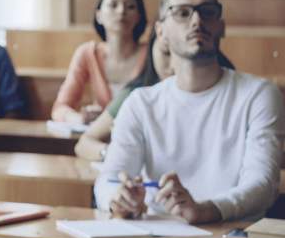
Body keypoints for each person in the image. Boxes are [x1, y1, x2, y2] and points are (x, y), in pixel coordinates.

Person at [95, 0, 284, 223]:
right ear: (160, 31)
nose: (196, 21)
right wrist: (118, 198)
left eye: (207, 12)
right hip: (158, 234)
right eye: (182, 13)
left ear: (221, 26)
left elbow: (263, 185)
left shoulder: (259, 94)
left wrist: (206, 209)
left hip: (233, 235)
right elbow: (108, 179)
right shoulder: (140, 102)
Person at [75, 26, 235, 161]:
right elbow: (84, 143)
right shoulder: (135, 94)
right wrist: (114, 154)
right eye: (166, 53)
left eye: (182, 55)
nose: (174, 65)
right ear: (151, 49)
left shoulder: (230, 94)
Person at [52, 0, 149, 124]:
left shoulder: (151, 53)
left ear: (139, 17)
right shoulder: (87, 53)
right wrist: (80, 118)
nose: (121, 11)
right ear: (99, 16)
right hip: (100, 135)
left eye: (130, 7)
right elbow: (60, 107)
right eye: (113, 5)